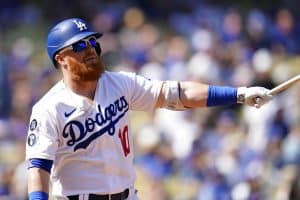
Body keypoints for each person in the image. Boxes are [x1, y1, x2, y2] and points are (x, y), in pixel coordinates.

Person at [26, 18, 273, 200]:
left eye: (92, 41)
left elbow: (178, 93)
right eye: (79, 46)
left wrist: (239, 94)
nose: (90, 48)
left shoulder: (120, 84)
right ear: (60, 58)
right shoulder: (48, 108)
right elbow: (38, 167)